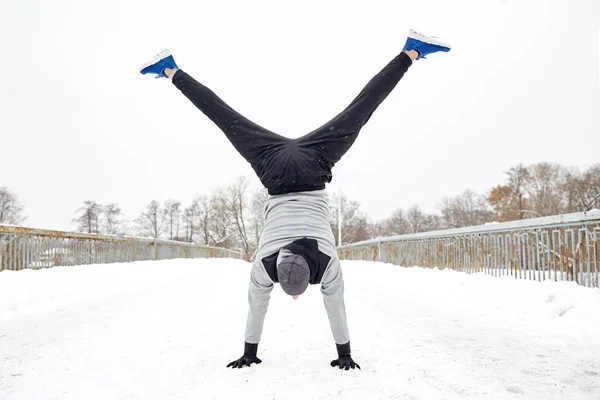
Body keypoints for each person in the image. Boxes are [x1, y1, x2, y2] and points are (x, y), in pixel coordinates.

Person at [140, 29, 451, 370]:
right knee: (223, 116)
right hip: (273, 168)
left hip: (314, 165)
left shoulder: (328, 263)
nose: (295, 296)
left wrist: (344, 354)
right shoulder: (263, 265)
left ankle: (410, 53)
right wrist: (250, 351)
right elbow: (256, 307)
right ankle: (170, 70)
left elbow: (336, 306)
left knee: (361, 109)